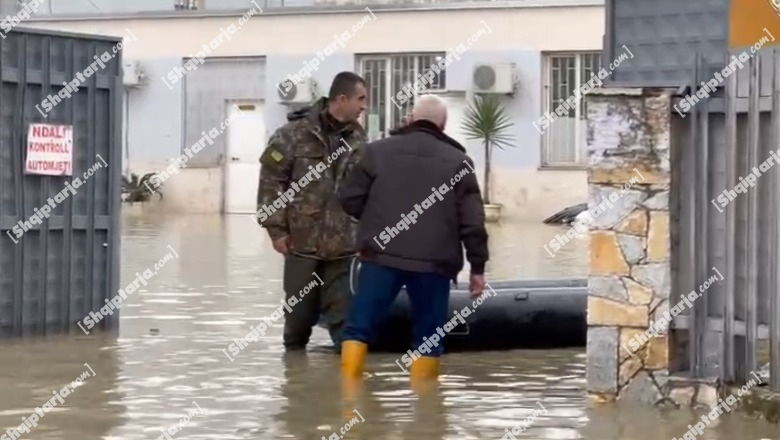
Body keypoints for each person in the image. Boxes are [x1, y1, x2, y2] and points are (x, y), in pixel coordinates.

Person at [337, 94, 489, 387]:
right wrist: (478, 268)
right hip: (435, 263)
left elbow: (349, 198)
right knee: (429, 335)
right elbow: (473, 222)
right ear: (443, 124)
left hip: (381, 256)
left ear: (410, 118)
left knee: (358, 328)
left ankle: (349, 399)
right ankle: (427, 414)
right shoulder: (459, 162)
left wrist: (374, 224)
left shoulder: (375, 152)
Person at [255, 72, 367, 351]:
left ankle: (346, 389)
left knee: (345, 324)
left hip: (344, 246)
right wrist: (276, 230)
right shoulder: (292, 134)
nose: (364, 106)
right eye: (360, 99)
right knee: (298, 322)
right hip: (301, 245)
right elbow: (270, 182)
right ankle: (296, 382)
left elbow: (369, 188)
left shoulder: (359, 139)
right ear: (341, 99)